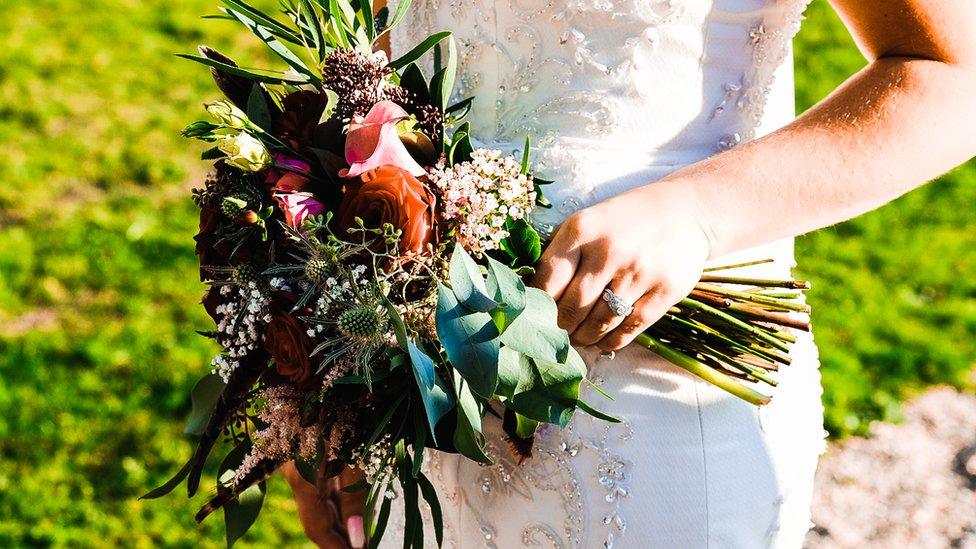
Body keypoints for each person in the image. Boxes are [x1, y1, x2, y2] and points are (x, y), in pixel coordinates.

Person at [288, 0, 976, 546]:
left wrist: (697, 213)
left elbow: (952, 72)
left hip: (656, 400)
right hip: (423, 403)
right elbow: (380, 55)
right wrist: (326, 395)